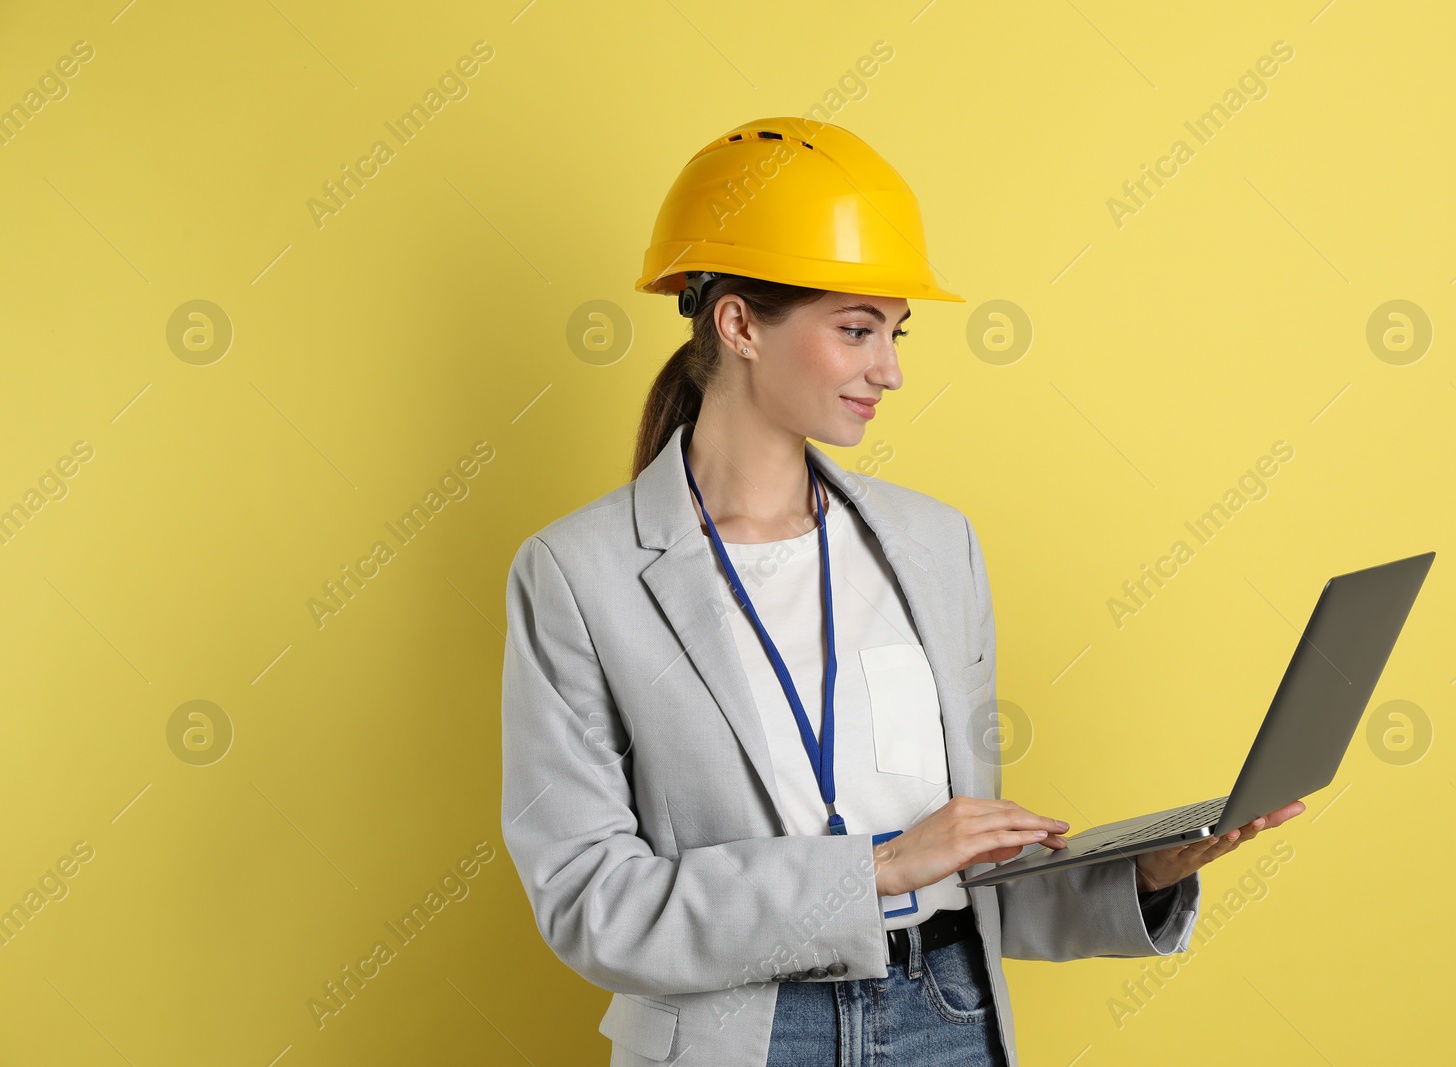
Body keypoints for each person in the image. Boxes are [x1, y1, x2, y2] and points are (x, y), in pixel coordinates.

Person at [500, 116, 1305, 1067]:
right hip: (744, 1036)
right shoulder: (578, 573)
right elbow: (593, 903)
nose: (891, 370)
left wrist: (1148, 873)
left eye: (894, 332)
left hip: (948, 1014)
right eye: (855, 330)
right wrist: (877, 868)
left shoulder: (936, 545)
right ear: (739, 324)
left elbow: (965, 868)